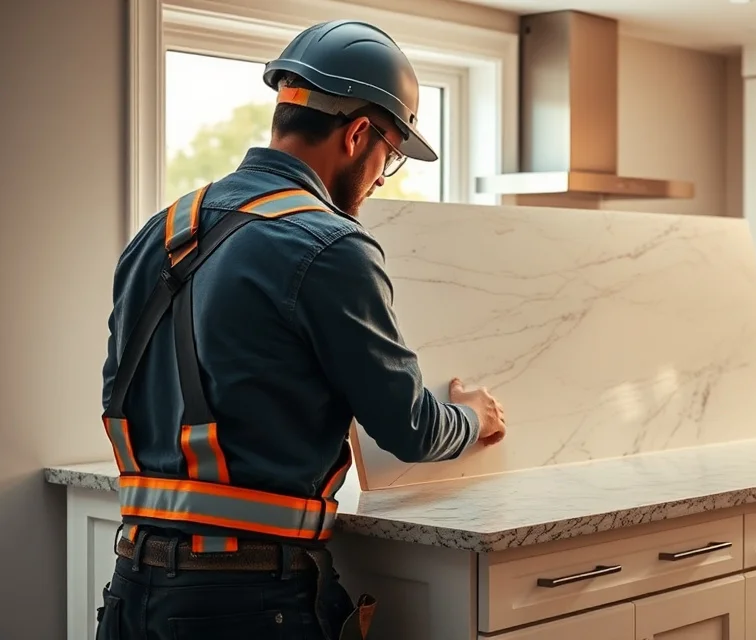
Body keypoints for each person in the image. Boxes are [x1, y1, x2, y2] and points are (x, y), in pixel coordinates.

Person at [94, 19, 506, 640]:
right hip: (249, 601)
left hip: (133, 588)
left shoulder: (159, 232)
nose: (378, 178)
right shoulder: (330, 245)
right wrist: (474, 418)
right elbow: (409, 427)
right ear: (359, 133)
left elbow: (121, 388)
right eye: (389, 157)